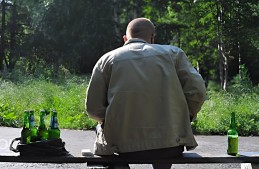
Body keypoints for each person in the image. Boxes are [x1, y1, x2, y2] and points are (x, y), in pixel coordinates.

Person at [85, 17, 207, 169]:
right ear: (152, 37)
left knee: (105, 139)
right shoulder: (174, 54)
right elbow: (198, 91)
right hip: (169, 146)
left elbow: (93, 108)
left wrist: (112, 119)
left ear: (125, 39)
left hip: (121, 147)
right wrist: (185, 115)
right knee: (164, 146)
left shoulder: (107, 60)